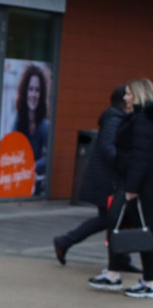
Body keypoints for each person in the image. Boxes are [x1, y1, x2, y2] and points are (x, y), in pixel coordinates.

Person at [54, 84, 136, 270]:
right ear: (124, 99)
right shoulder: (114, 119)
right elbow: (108, 148)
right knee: (111, 219)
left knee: (116, 220)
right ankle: (64, 241)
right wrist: (126, 163)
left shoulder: (117, 118)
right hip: (107, 181)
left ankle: (121, 259)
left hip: (108, 179)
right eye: (131, 94)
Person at [94, 77, 153, 296]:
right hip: (132, 183)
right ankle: (114, 273)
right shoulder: (137, 117)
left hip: (138, 187)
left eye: (129, 93)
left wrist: (131, 188)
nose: (125, 97)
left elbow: (141, 156)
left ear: (138, 95)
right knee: (119, 224)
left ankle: (148, 281)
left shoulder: (143, 120)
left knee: (143, 231)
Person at [13, 63, 51, 194]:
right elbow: (11, 150)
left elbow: (49, 157)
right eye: (31, 89)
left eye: (37, 90)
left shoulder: (44, 125)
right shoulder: (18, 120)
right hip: (17, 180)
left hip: (36, 185)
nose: (33, 94)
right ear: (25, 91)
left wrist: (30, 167)